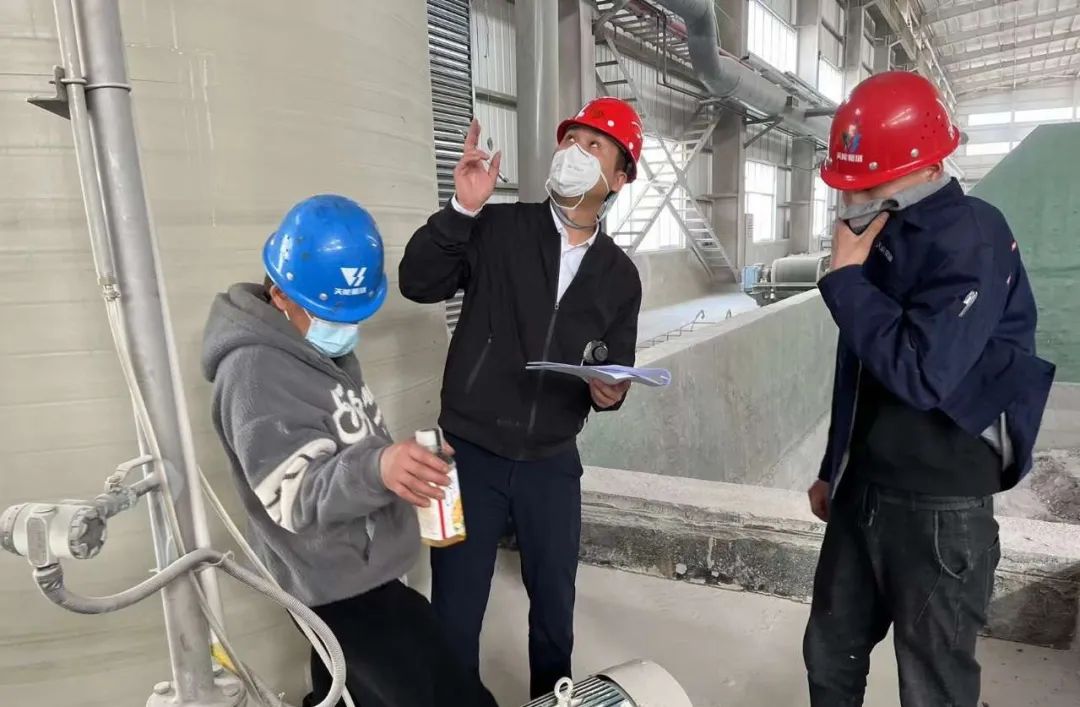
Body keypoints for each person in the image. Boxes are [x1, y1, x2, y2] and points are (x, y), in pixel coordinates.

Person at [803, 71, 1056, 707]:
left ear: (926, 168)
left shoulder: (972, 238)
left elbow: (921, 372)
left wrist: (845, 281)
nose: (853, 198)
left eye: (869, 185)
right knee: (830, 654)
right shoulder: (882, 228)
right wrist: (835, 466)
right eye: (849, 185)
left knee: (932, 683)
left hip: (940, 506)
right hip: (865, 486)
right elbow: (859, 366)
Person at [201, 195, 497, 707]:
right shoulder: (254, 371)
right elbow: (293, 493)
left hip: (362, 570)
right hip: (337, 586)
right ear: (280, 293)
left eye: (352, 313)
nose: (343, 327)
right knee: (450, 694)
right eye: (328, 313)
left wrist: (400, 465)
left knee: (346, 691)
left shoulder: (313, 346)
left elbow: (346, 439)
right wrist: (379, 469)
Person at [398, 97, 645, 698]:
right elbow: (416, 282)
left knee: (555, 610)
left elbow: (614, 371)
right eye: (570, 140)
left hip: (551, 464)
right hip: (462, 454)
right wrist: (461, 209)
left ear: (618, 179)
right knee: (453, 610)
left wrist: (609, 392)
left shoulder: (620, 276)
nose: (573, 153)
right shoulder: (497, 227)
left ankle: (552, 701)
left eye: (594, 146)